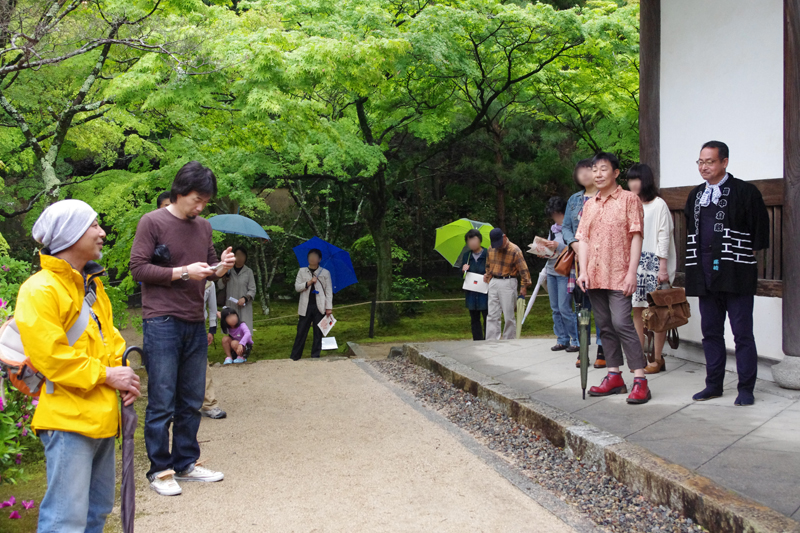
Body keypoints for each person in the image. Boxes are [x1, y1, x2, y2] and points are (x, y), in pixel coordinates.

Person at [15, 199, 141, 532]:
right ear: (71, 233)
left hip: (102, 415)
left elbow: (111, 341)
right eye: (94, 225)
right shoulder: (39, 290)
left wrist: (125, 377)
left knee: (95, 514)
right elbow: (51, 358)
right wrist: (107, 375)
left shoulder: (93, 287)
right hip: (67, 420)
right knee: (64, 520)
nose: (101, 232)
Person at [130, 161, 235, 496]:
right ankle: (160, 470)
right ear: (179, 191)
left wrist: (222, 267)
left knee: (191, 399)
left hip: (194, 320)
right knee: (162, 398)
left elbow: (207, 266)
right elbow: (138, 268)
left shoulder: (203, 227)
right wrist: (182, 272)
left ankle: (186, 462)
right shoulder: (152, 221)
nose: (201, 206)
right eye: (196, 198)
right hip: (161, 320)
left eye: (206, 200)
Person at [684, 141, 770, 406]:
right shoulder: (696, 195)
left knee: (742, 334)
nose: (704, 167)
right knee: (710, 332)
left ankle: (746, 388)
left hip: (736, 274)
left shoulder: (746, 192)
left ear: (724, 162)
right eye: (700, 162)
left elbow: (759, 232)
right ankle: (714, 385)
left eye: (709, 161)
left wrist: (741, 255)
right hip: (705, 274)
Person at [576, 152, 651, 404]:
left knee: (622, 323)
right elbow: (583, 240)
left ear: (616, 173)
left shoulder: (630, 200)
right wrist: (583, 270)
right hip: (595, 274)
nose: (597, 174)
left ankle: (640, 379)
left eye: (603, 169)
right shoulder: (589, 205)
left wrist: (632, 272)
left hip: (620, 274)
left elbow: (637, 236)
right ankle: (614, 376)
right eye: (594, 169)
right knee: (605, 326)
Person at [627, 163, 676, 374]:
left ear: (645, 180)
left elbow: (664, 235)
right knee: (637, 310)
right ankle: (639, 358)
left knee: (658, 312)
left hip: (654, 264)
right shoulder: (630, 205)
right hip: (635, 265)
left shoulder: (658, 205)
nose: (632, 184)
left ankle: (657, 358)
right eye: (630, 180)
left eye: (636, 179)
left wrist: (662, 267)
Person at [563, 159, 605, 368]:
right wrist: (575, 245)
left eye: (589, 169)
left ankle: (602, 349)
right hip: (578, 261)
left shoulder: (605, 196)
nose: (585, 174)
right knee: (582, 306)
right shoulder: (573, 200)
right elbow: (566, 227)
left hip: (600, 259)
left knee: (602, 306)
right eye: (580, 171)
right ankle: (583, 349)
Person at [544, 197, 579, 352]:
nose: (556, 219)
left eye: (558, 215)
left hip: (565, 272)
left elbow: (574, 248)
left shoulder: (571, 229)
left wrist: (558, 246)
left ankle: (576, 340)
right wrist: (544, 251)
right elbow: (551, 250)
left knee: (565, 308)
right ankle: (562, 339)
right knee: (555, 308)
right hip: (551, 270)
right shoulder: (552, 230)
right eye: (553, 216)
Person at [483, 228, 531, 340]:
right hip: (494, 281)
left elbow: (524, 271)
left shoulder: (515, 250)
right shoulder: (491, 248)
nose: (498, 246)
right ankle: (491, 340)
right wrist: (488, 276)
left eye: (499, 243)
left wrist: (524, 287)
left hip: (508, 281)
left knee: (509, 314)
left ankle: (509, 341)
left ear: (504, 237)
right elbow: (488, 265)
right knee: (492, 314)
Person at [290, 249, 333, 360]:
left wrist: (329, 307)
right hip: (306, 306)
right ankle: (295, 356)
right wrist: (309, 282)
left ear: (319, 259)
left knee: (318, 333)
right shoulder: (302, 271)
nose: (312, 258)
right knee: (301, 332)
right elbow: (297, 287)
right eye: (310, 256)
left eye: (315, 256)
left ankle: (315, 355)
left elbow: (328, 291)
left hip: (320, 306)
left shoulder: (325, 273)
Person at [201, 280, 226, 419]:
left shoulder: (209, 283)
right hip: (175, 324)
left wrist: (212, 329)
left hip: (198, 325)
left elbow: (212, 307)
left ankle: (209, 403)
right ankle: (176, 405)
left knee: (203, 365)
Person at [217, 246, 256, 332]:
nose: (240, 258)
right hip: (231, 305)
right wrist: (225, 277)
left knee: (245, 331)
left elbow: (252, 289)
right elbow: (220, 286)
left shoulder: (248, 271)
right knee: (231, 330)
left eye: (242, 255)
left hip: (244, 306)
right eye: (237, 255)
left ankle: (246, 345)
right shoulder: (228, 270)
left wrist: (245, 298)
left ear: (246, 257)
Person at [460, 229, 489, 341]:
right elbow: (461, 276)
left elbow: (493, 270)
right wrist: (463, 270)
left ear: (480, 240)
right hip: (471, 292)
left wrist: (488, 274)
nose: (472, 243)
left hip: (485, 291)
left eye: (474, 240)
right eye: (469, 241)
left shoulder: (488, 254)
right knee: (474, 318)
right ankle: (477, 340)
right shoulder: (467, 256)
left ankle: (488, 339)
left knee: (487, 316)